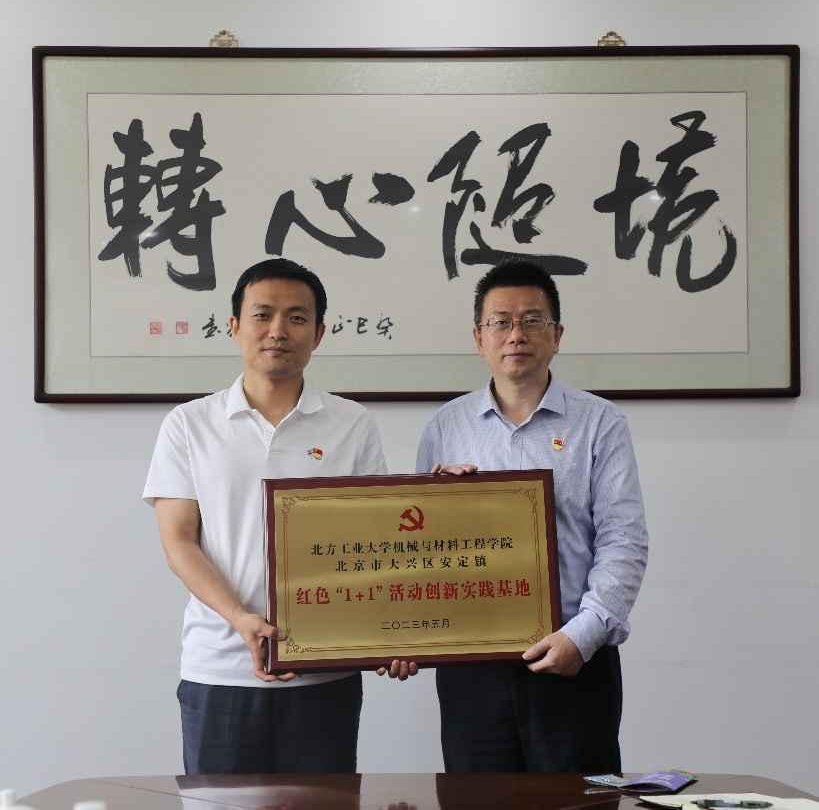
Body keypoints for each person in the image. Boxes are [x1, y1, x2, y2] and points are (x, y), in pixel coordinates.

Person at [142, 257, 389, 774]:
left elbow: (374, 542)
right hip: (221, 669)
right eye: (263, 315)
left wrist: (393, 632)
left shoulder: (352, 424)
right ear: (234, 326)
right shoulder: (189, 424)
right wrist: (241, 618)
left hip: (325, 671)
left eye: (297, 318)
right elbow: (179, 541)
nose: (278, 330)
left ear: (319, 334)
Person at [413, 258, 649, 773]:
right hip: (472, 668)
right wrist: (439, 506)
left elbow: (623, 541)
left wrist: (582, 636)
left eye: (532, 320)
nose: (515, 335)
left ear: (557, 335)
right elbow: (421, 550)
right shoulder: (445, 426)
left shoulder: (600, 422)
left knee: (580, 802)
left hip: (573, 659)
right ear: (479, 337)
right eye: (500, 322)